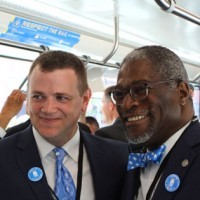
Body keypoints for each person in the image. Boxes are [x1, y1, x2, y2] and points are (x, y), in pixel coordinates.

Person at [0, 50, 129, 200]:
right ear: (27, 98)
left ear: (85, 100)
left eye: (61, 98)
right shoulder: (3, 157)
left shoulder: (118, 157)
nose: (48, 109)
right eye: (38, 96)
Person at [110, 45, 200, 200]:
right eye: (119, 94)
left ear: (182, 93)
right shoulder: (127, 158)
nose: (126, 104)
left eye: (140, 90)